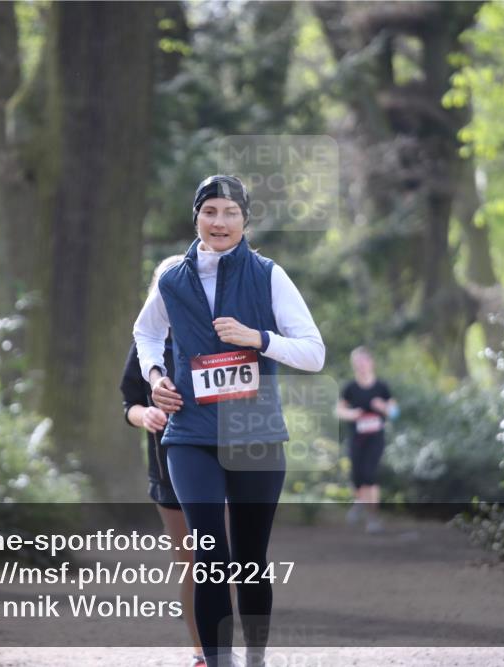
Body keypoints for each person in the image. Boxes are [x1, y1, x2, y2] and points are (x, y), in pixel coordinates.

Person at [133, 174, 325, 667]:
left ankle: (255, 658)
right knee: (210, 560)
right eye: (210, 211)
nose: (219, 222)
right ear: (196, 216)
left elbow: (314, 353)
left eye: (230, 213)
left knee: (249, 560)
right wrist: (155, 375)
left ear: (245, 220)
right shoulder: (172, 277)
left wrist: (257, 337)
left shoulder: (268, 275)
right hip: (191, 435)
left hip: (255, 436)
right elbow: (146, 331)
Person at [120, 255, 207, 667]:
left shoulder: (215, 335)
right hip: (166, 466)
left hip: (220, 463)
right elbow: (128, 405)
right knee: (190, 564)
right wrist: (147, 414)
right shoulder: (145, 345)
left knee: (221, 560)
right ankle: (201, 654)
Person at [336, 346, 398, 533]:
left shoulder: (381, 387)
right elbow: (339, 410)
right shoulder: (350, 388)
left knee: (370, 476)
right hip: (356, 438)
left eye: (364, 362)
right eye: (357, 363)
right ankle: (361, 501)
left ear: (371, 363)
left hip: (375, 439)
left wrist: (383, 407)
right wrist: (352, 414)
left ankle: (372, 517)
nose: (361, 366)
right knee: (357, 476)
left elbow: (395, 412)